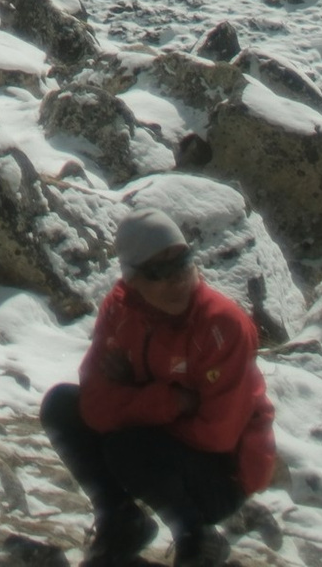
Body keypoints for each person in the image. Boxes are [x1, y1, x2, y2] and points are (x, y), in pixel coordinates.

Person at [40, 205, 278, 567]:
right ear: (132, 279)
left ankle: (196, 538)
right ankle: (120, 520)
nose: (177, 280)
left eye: (183, 263)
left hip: (224, 474)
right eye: (159, 272)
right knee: (62, 406)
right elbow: (93, 405)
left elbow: (219, 435)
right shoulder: (120, 310)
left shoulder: (222, 326)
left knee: (128, 445)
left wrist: (131, 396)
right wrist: (171, 400)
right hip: (164, 443)